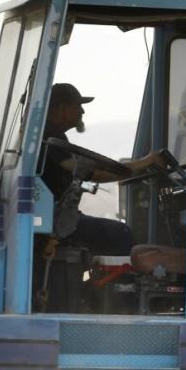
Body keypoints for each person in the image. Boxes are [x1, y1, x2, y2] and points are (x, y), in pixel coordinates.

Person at [40, 83, 161, 257]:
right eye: (78, 106)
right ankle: (122, 284)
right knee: (121, 234)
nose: (82, 112)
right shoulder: (50, 138)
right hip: (55, 220)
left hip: (58, 216)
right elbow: (90, 173)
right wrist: (145, 162)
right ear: (62, 108)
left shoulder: (55, 137)